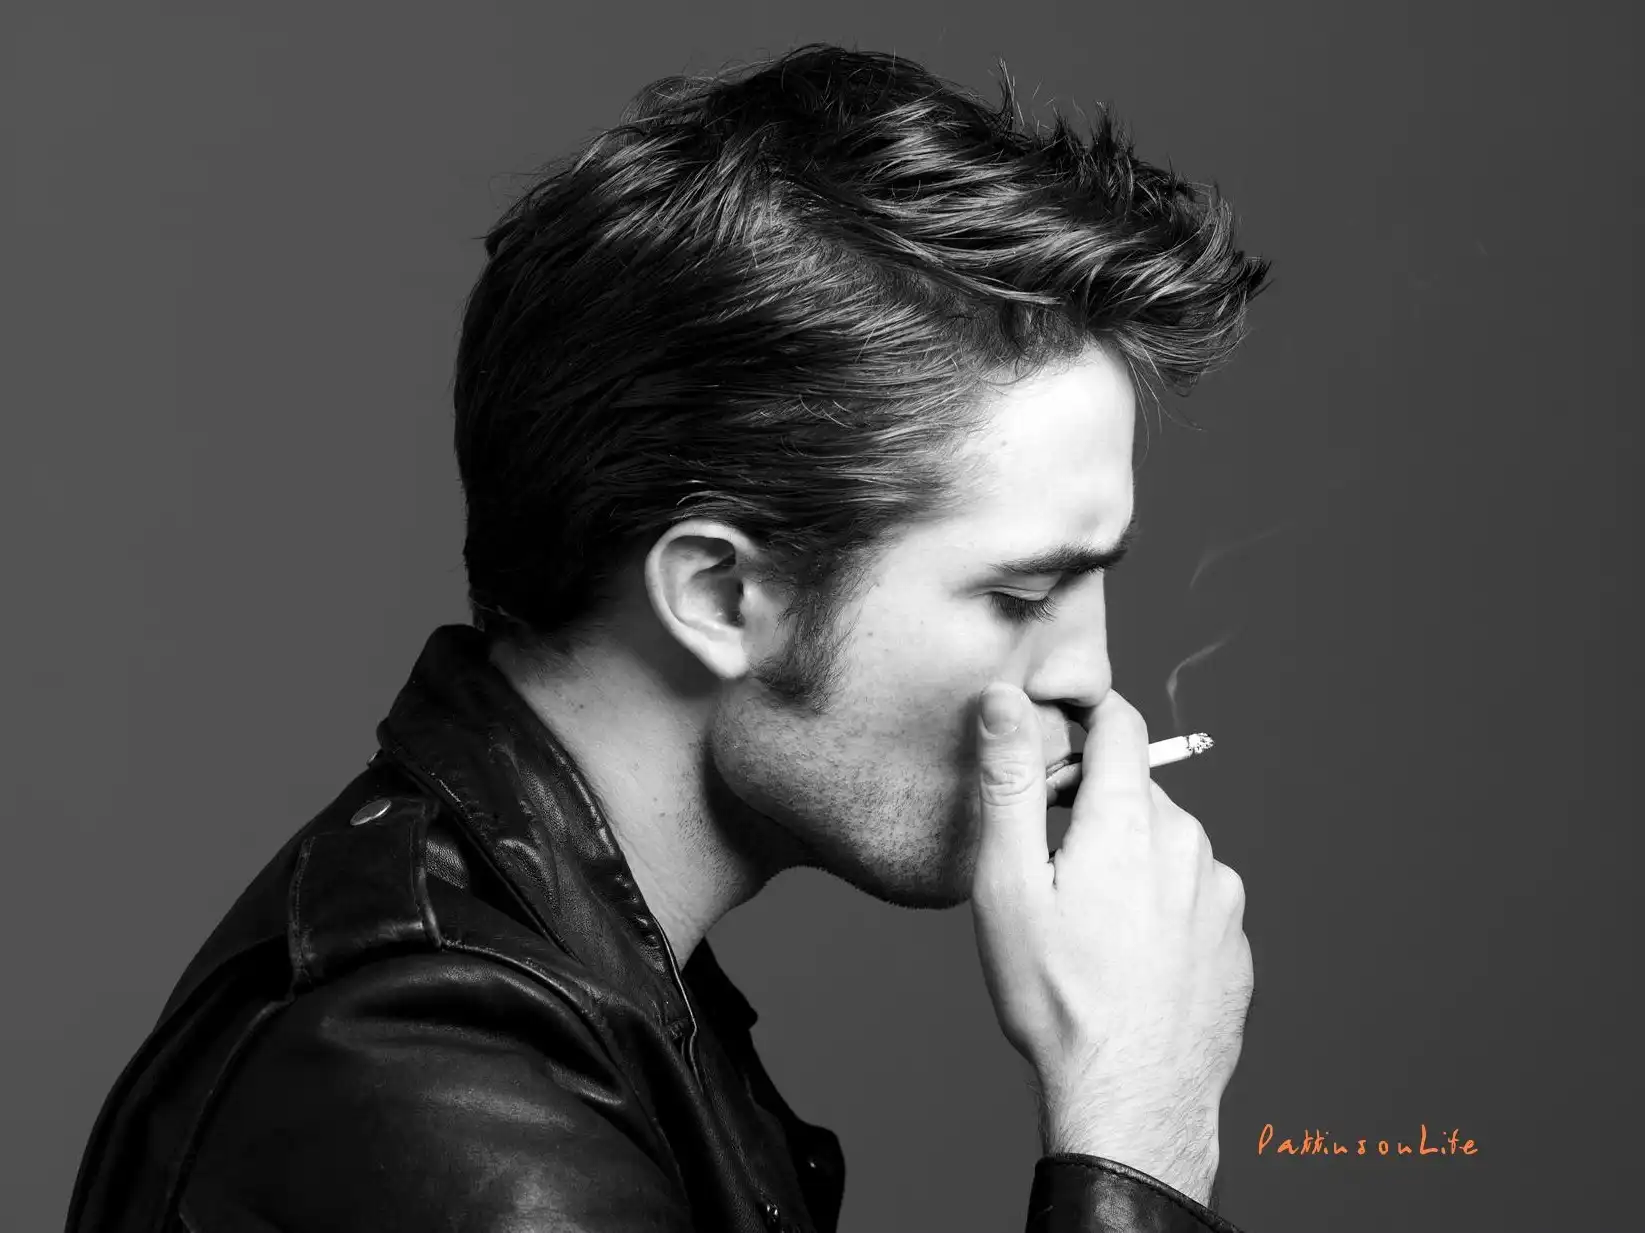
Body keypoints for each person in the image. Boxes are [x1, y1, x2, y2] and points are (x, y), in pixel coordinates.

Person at [68, 43, 1268, 1233]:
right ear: (717, 595)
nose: (1090, 679)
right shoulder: (432, 1100)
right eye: (1019, 594)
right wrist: (1132, 1126)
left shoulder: (574, 1002)